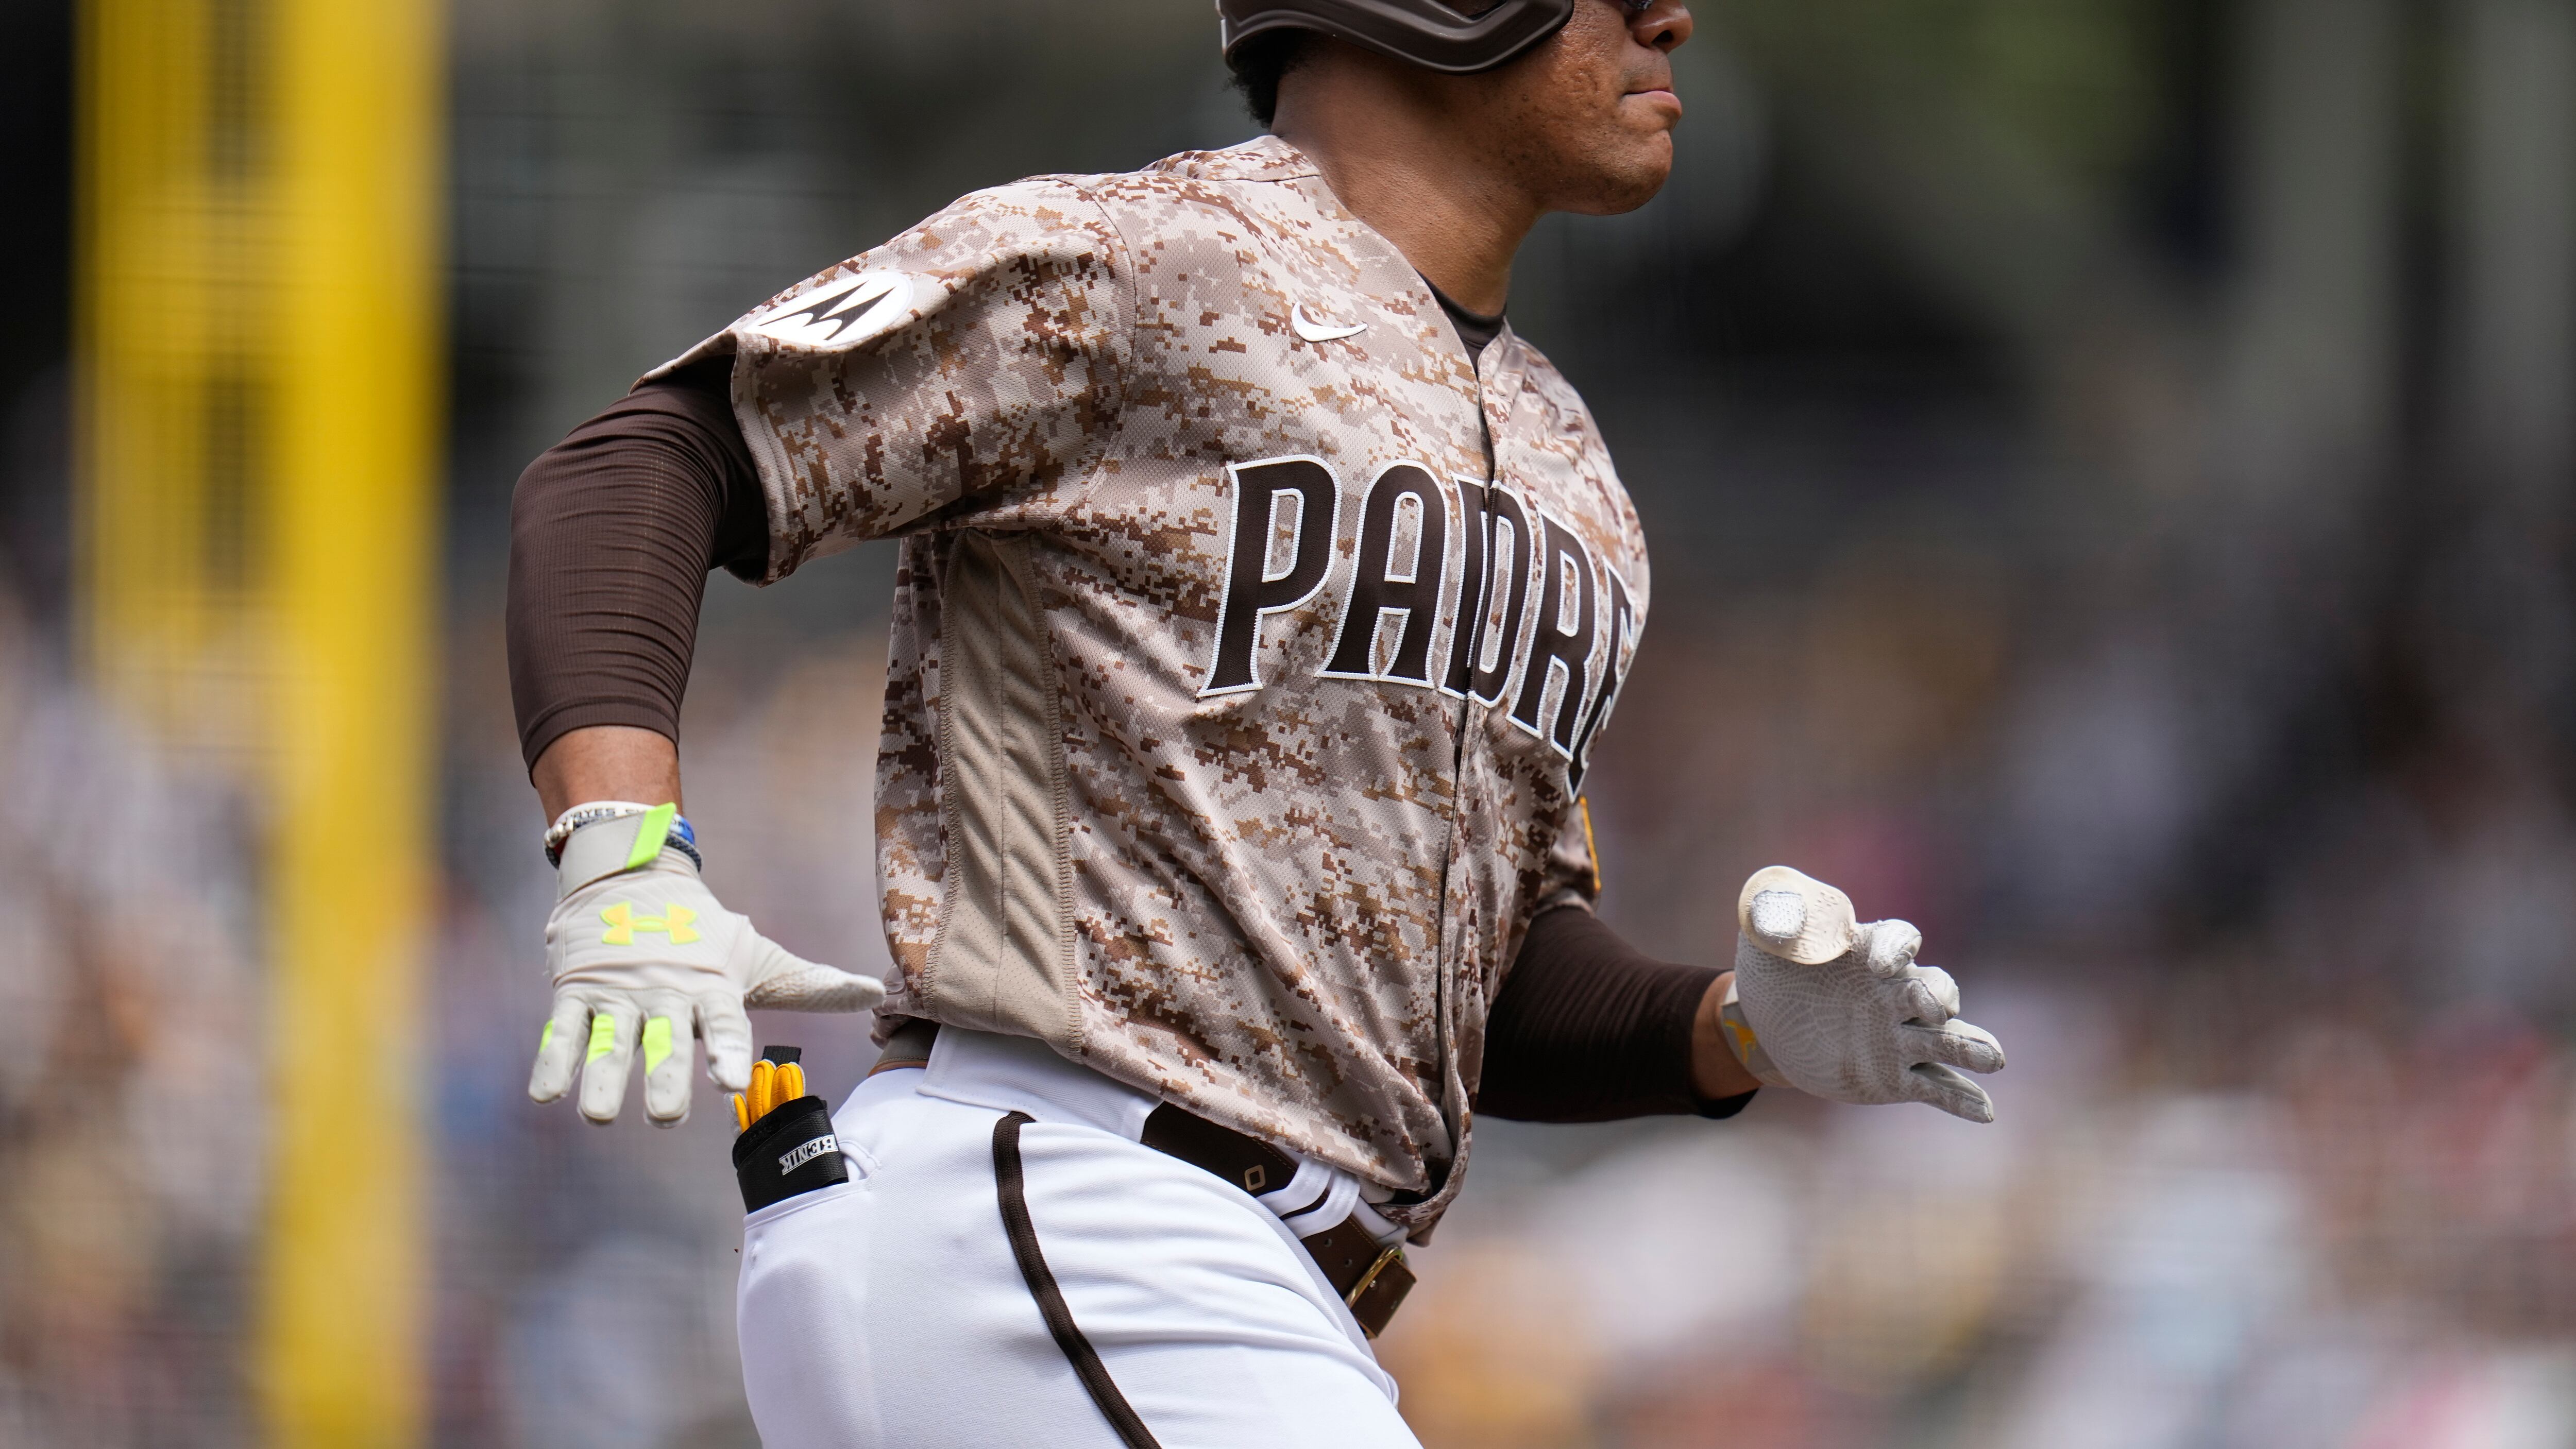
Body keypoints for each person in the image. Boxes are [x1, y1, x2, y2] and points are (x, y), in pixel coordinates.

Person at [506, 1, 2008, 1443]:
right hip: (1062, 1198)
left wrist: (1733, 1030)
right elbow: (647, 461)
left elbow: (1481, 974)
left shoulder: (1574, 470)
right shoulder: (1145, 258)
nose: (1666, 17)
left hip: (1234, 1280)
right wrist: (625, 851)